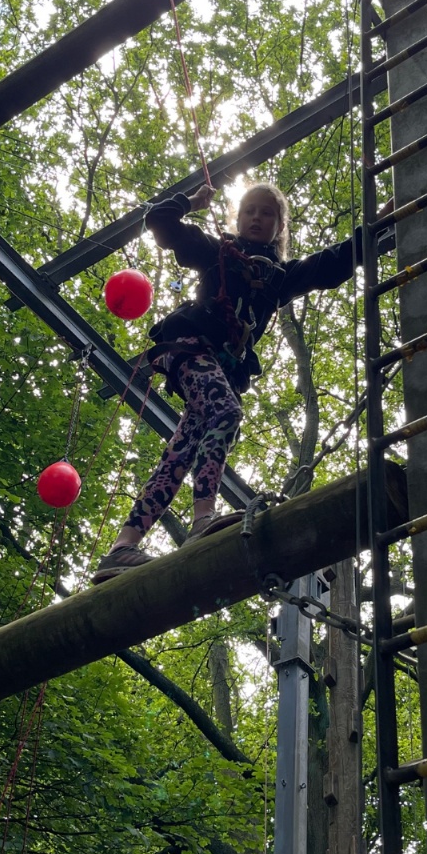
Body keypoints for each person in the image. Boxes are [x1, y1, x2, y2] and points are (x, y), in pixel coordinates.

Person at [92, 180, 370, 583]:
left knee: (181, 450)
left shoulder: (280, 277)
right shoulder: (217, 252)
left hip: (218, 366)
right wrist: (191, 201)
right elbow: (161, 221)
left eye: (267, 213)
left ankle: (122, 546)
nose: (257, 218)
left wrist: (376, 225)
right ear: (237, 219)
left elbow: (333, 262)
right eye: (249, 211)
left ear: (280, 226)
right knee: (226, 411)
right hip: (189, 349)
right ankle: (203, 518)